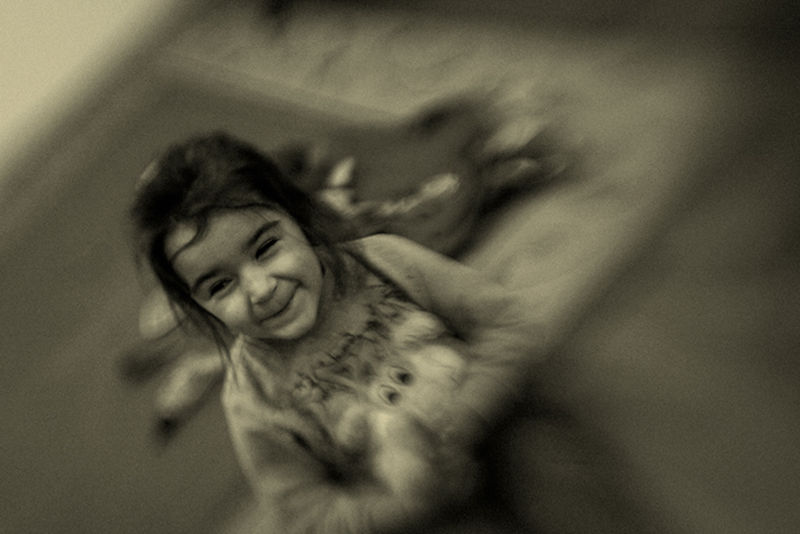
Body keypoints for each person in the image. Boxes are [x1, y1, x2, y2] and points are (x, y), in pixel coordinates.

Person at [131, 132, 544, 533]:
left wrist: (464, 419)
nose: (260, 289)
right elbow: (309, 517)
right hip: (419, 512)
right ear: (199, 308)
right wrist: (415, 502)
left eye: (266, 248)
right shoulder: (252, 397)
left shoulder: (384, 260)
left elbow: (507, 324)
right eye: (221, 286)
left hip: (504, 421)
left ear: (299, 218)